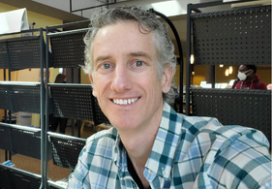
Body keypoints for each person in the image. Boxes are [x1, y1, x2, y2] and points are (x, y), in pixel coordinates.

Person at [68, 6, 271, 189]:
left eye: (138, 63)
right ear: (93, 83)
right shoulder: (94, 152)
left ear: (165, 77)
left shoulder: (220, 153)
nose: (120, 84)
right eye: (106, 65)